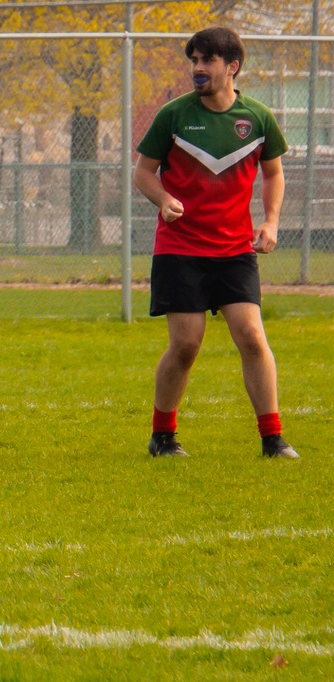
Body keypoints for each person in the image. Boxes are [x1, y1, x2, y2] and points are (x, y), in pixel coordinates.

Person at [134, 26, 297, 459]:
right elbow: (143, 173)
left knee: (252, 336)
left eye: (207, 61)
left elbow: (274, 173)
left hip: (234, 250)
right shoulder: (173, 115)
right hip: (180, 248)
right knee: (186, 344)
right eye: (194, 61)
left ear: (232, 67)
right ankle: (163, 437)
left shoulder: (258, 118)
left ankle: (273, 439)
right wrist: (164, 198)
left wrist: (272, 222)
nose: (198, 69)